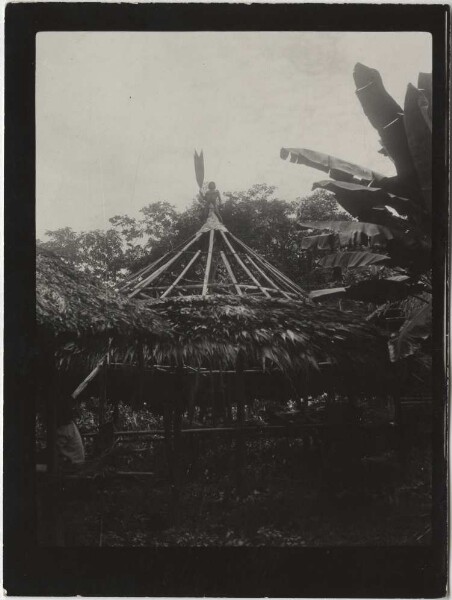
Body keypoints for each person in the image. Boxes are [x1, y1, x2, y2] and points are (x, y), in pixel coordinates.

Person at [56, 397, 85, 467]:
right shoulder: (70, 425)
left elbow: (54, 449)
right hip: (77, 462)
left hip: (74, 465)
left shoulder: (65, 428)